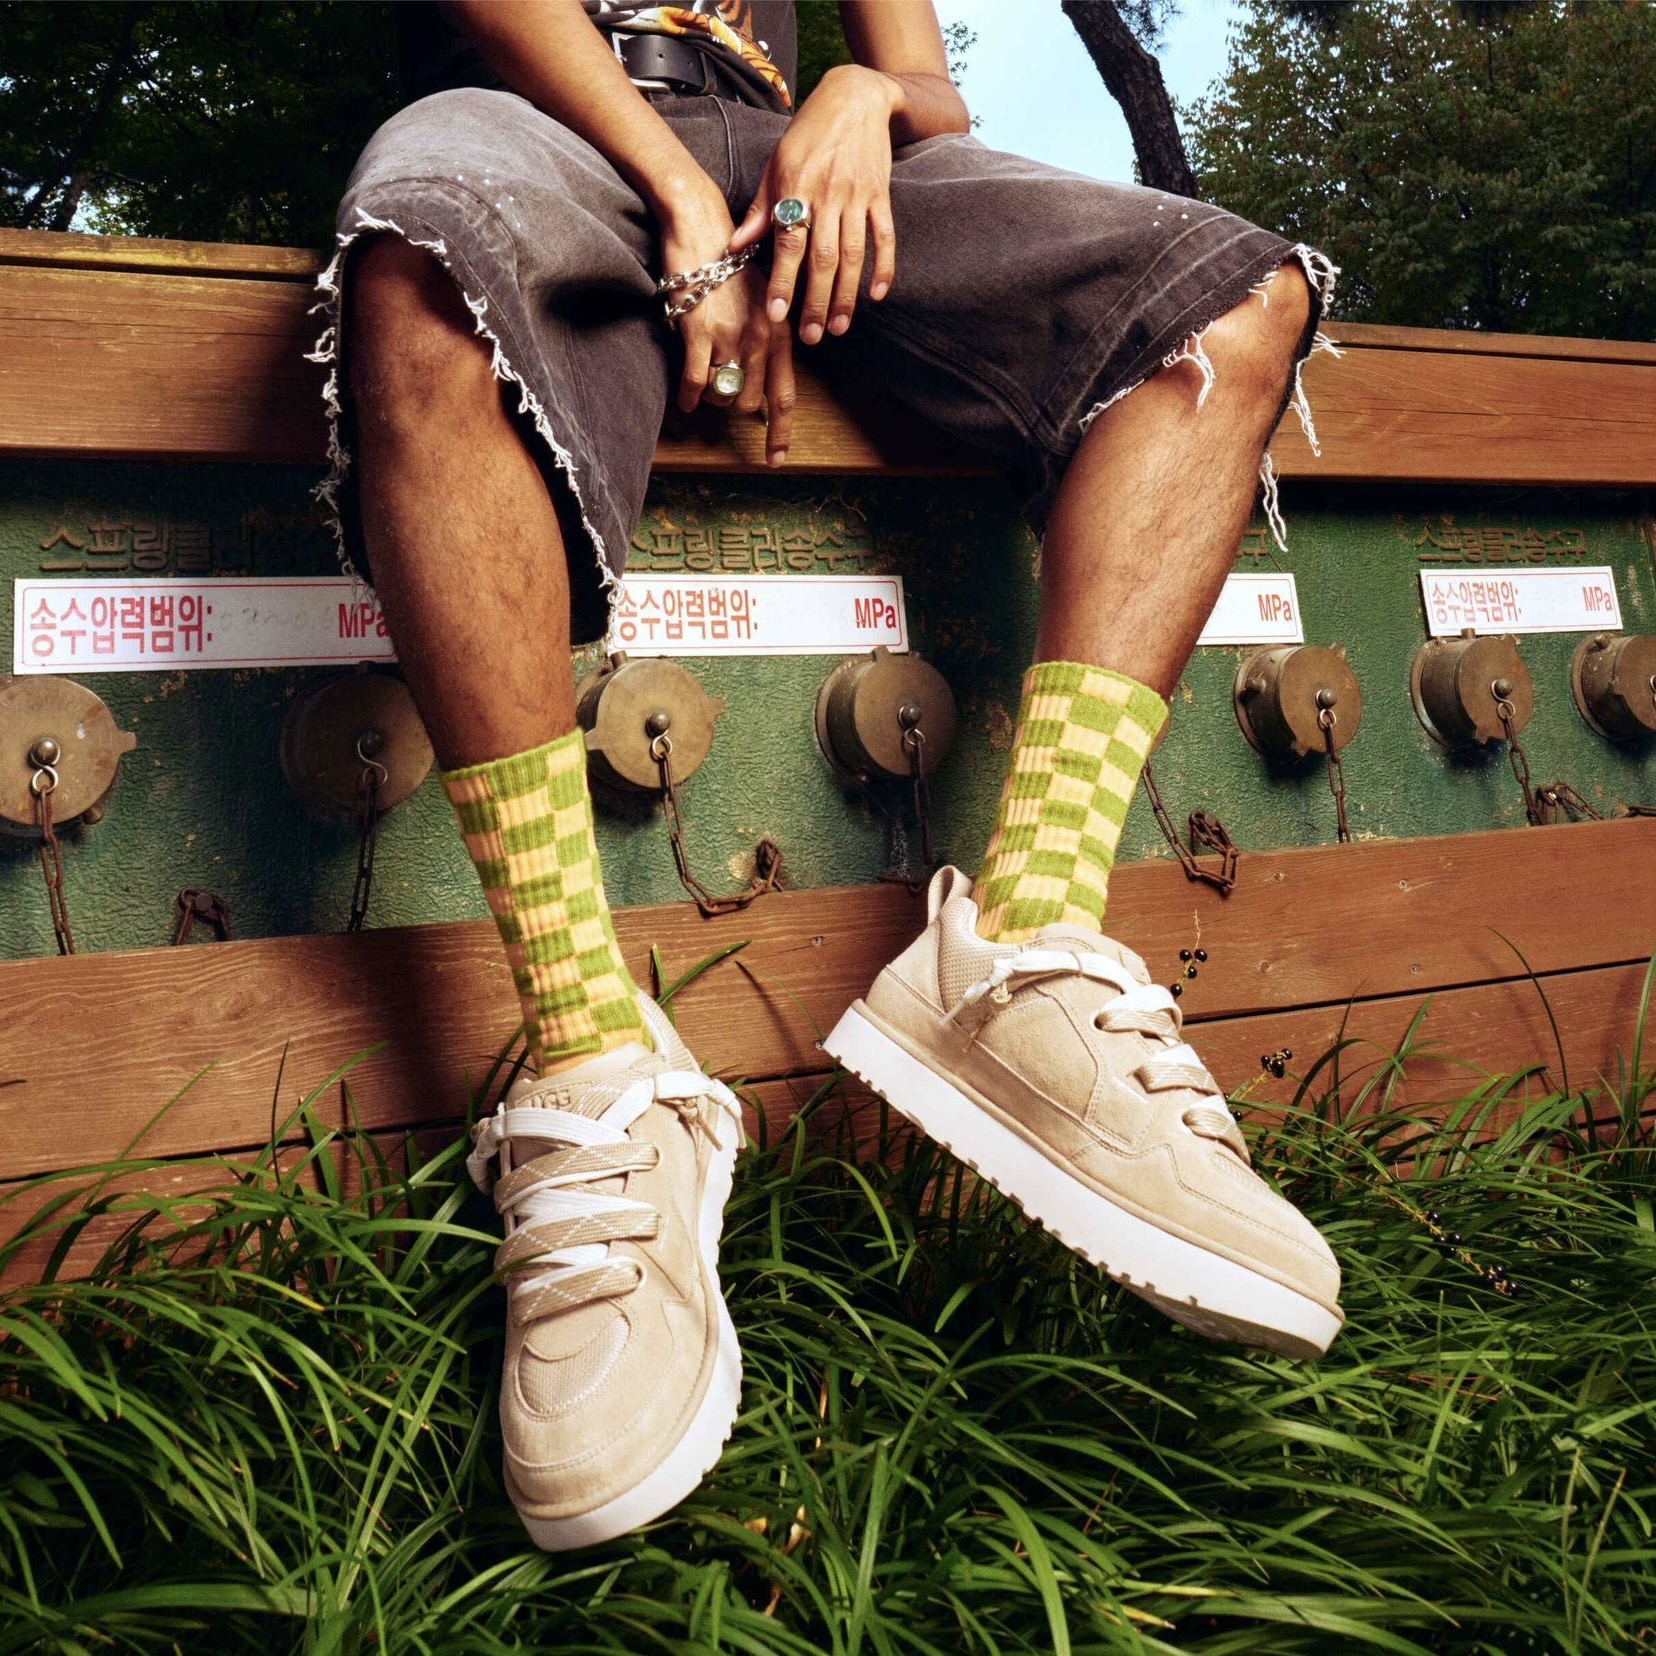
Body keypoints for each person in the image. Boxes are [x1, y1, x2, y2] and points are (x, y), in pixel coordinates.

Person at [313, 0, 1344, 1552]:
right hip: (545, 124)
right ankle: (593, 1063)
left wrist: (863, 96)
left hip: (797, 166)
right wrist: (674, 188)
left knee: (1237, 300)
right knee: (419, 259)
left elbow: (924, 77)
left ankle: (1020, 957)